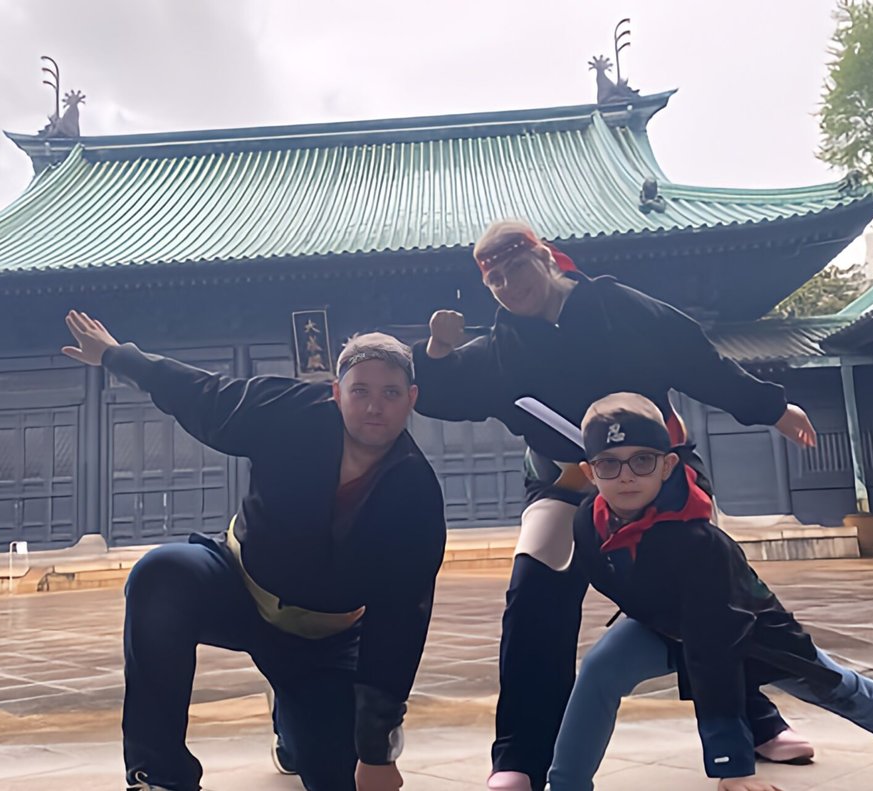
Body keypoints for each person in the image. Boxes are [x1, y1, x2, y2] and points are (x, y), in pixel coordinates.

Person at [413, 219, 820, 790]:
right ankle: (521, 756)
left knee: (704, 597)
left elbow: (695, 358)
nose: (508, 285)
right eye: (495, 280)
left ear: (546, 258)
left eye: (516, 268)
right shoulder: (500, 350)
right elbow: (437, 392)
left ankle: (756, 720)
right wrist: (436, 352)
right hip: (566, 484)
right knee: (533, 599)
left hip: (654, 480)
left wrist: (771, 408)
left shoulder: (618, 307)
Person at [61, 311, 447, 791]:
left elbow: (400, 623)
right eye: (360, 391)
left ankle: (292, 725)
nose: (374, 406)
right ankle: (159, 775)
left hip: (322, 641)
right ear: (336, 392)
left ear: (411, 399)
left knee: (337, 776)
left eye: (390, 393)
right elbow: (204, 394)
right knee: (160, 575)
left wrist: (376, 753)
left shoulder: (416, 494)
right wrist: (118, 357)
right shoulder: (291, 411)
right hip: (236, 587)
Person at [550, 392, 873, 791]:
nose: (626, 476)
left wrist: (732, 766)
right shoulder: (588, 522)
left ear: (668, 465)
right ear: (590, 472)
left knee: (844, 691)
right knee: (600, 668)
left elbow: (714, 650)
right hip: (663, 626)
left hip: (751, 629)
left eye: (642, 461)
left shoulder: (699, 544)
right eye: (609, 464)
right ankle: (565, 784)